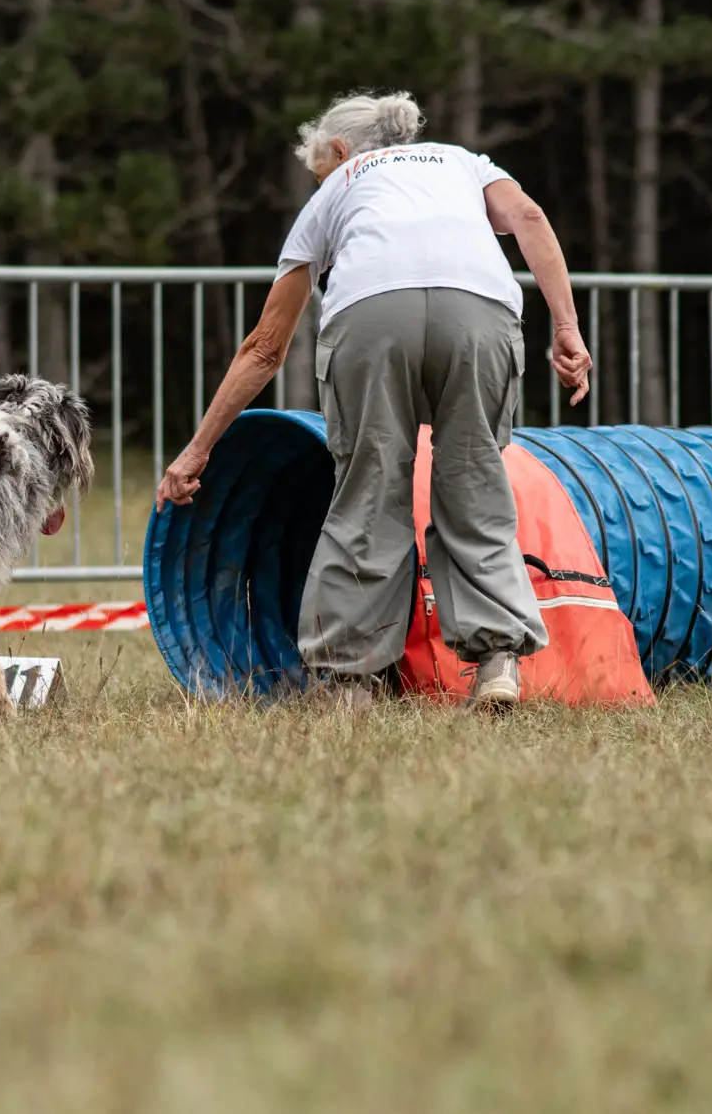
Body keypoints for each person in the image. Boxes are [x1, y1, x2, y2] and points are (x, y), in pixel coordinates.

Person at [154, 90, 592, 708]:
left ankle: (350, 681)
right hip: (480, 313)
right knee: (475, 480)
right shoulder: (464, 162)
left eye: (319, 169)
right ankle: (497, 665)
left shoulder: (338, 187)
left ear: (339, 152)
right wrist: (567, 329)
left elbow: (264, 348)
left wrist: (197, 449)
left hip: (371, 313)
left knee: (371, 487)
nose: (321, 179)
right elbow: (531, 219)